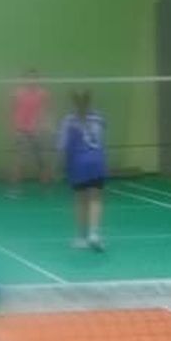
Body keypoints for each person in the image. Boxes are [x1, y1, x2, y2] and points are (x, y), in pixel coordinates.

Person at [57, 90, 107, 250]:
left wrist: (59, 167)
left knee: (80, 200)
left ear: (73, 103)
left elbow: (62, 146)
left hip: (78, 163)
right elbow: (101, 136)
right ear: (90, 102)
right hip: (97, 161)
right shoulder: (99, 117)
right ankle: (94, 234)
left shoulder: (68, 120)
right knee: (95, 199)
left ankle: (81, 237)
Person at [8, 70, 52, 197]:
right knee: (19, 161)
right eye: (29, 78)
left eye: (34, 78)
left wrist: (43, 126)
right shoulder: (17, 92)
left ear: (37, 79)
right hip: (21, 131)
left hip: (38, 131)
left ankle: (46, 189)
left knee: (42, 161)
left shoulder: (43, 93)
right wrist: (14, 129)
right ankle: (15, 189)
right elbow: (12, 109)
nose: (31, 80)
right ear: (25, 79)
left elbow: (46, 110)